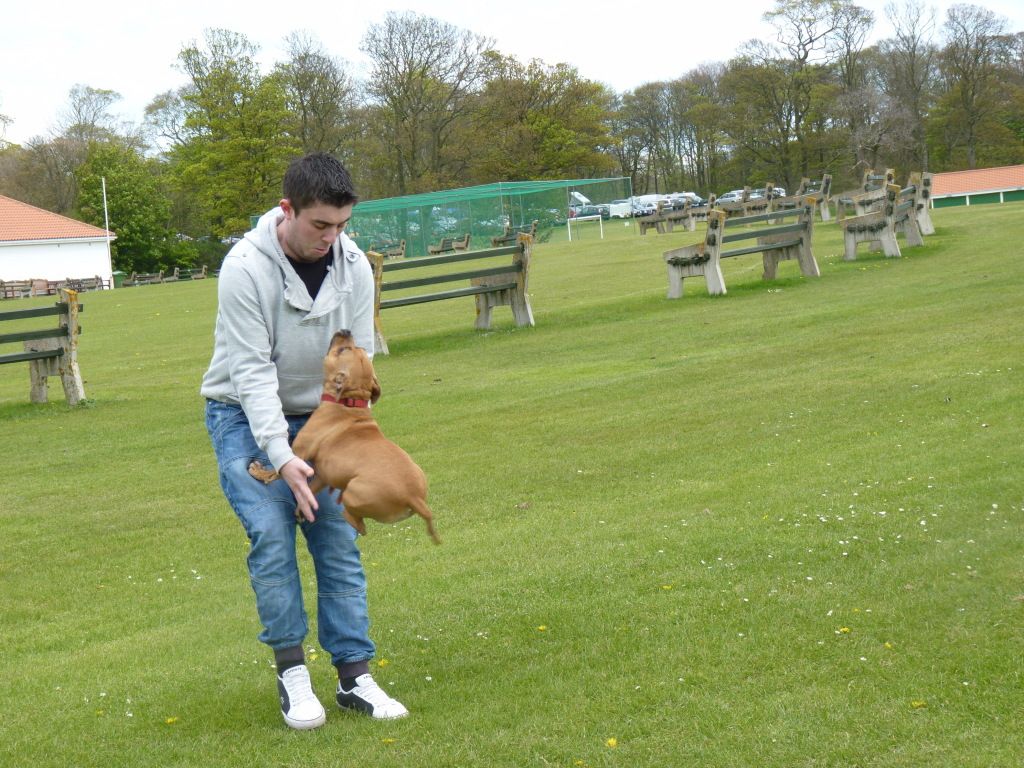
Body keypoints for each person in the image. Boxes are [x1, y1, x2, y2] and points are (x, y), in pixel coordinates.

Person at [201, 152, 407, 730]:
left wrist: (350, 438)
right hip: (243, 416)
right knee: (271, 535)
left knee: (337, 538)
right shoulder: (245, 268)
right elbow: (251, 374)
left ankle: (355, 677)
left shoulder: (355, 265)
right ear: (287, 210)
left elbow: (356, 366)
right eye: (320, 225)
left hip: (325, 420)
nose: (332, 238)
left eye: (342, 225)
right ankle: (293, 673)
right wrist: (284, 457)